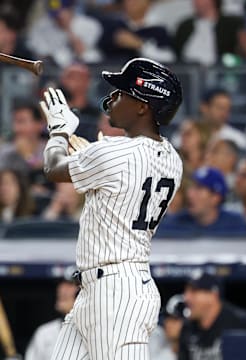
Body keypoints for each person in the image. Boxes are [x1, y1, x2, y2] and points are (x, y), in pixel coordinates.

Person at [39, 57, 183, 359]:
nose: (112, 97)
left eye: (122, 92)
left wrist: (60, 131)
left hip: (117, 293)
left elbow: (53, 168)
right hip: (104, 288)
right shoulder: (172, 159)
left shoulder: (114, 153)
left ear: (144, 106)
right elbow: (116, 171)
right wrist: (93, 153)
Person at [178, 272, 246, 360]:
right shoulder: (187, 329)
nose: (187, 297)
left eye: (194, 292)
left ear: (213, 295)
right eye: (186, 292)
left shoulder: (242, 323)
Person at [155, 166, 246, 238]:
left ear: (215, 197)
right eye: (191, 187)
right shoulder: (173, 225)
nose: (190, 194)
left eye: (198, 189)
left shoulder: (234, 225)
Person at [25, 278, 79, 360]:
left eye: (70, 285)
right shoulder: (44, 332)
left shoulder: (95, 329)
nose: (62, 289)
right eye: (62, 284)